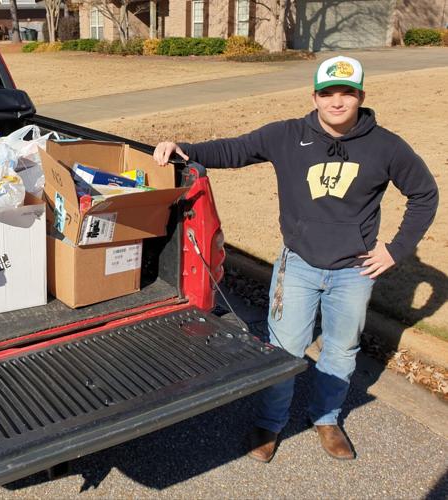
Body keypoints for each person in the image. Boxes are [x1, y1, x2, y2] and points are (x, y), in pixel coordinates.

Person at [153, 55, 438, 462]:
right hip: (299, 264)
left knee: (341, 349)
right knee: (284, 348)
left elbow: (425, 195)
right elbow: (236, 149)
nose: (337, 102)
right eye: (328, 93)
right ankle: (270, 424)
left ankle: (326, 417)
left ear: (360, 96)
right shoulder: (287, 136)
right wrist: (187, 149)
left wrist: (394, 250)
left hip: (354, 271)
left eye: (346, 93)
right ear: (315, 96)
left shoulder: (386, 146)